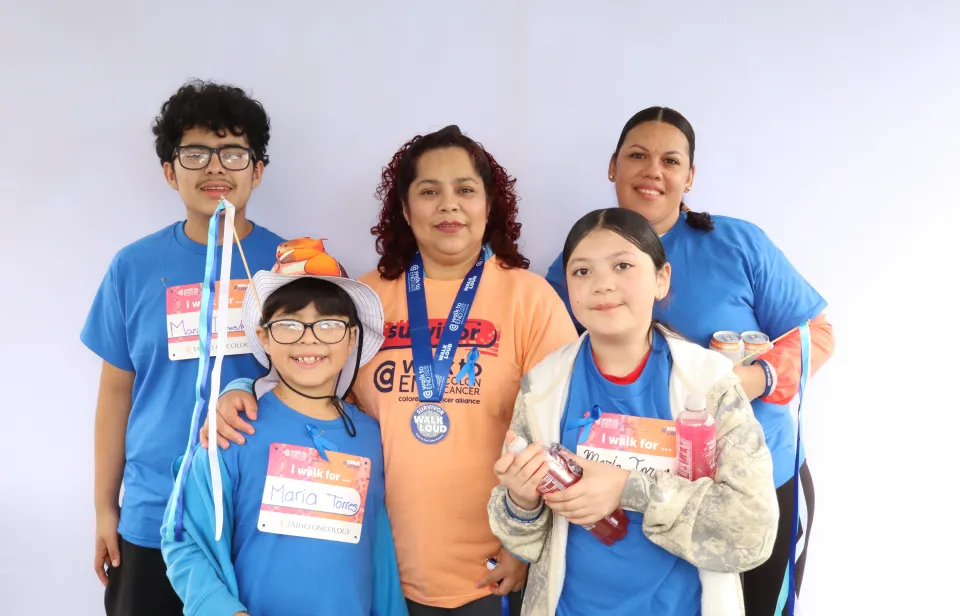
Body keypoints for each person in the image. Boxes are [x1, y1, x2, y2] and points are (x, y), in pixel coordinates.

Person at [206, 125, 579, 615]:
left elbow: (561, 434)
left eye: (466, 190)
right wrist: (239, 388)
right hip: (373, 569)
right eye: (429, 191)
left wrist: (522, 544)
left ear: (489, 204)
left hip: (493, 573)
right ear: (405, 209)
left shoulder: (531, 300)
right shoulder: (365, 299)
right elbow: (309, 384)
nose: (449, 205)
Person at [544, 107, 834, 615]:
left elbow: (817, 334)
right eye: (637, 155)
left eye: (669, 160)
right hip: (637, 483)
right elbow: (552, 366)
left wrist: (752, 376)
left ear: (690, 177)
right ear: (613, 166)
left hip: (754, 481)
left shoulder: (739, 244)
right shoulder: (580, 259)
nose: (652, 170)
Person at [489, 207, 778, 616]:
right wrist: (521, 500)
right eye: (582, 271)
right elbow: (527, 543)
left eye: (622, 265)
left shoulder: (709, 383)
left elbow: (752, 532)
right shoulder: (543, 386)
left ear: (661, 279)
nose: (602, 284)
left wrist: (628, 487)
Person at [80, 79, 284, 616]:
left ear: (257, 170)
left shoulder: (293, 267)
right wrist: (105, 508)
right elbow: (115, 396)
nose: (215, 168)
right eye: (195, 153)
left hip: (257, 517)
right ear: (171, 171)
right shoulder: (134, 267)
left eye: (233, 152)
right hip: (153, 517)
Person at [160, 242, 407, 615]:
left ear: (352, 337)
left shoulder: (371, 435)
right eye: (289, 324)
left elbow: (379, 553)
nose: (309, 338)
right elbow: (182, 536)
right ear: (264, 338)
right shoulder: (235, 428)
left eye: (328, 324)